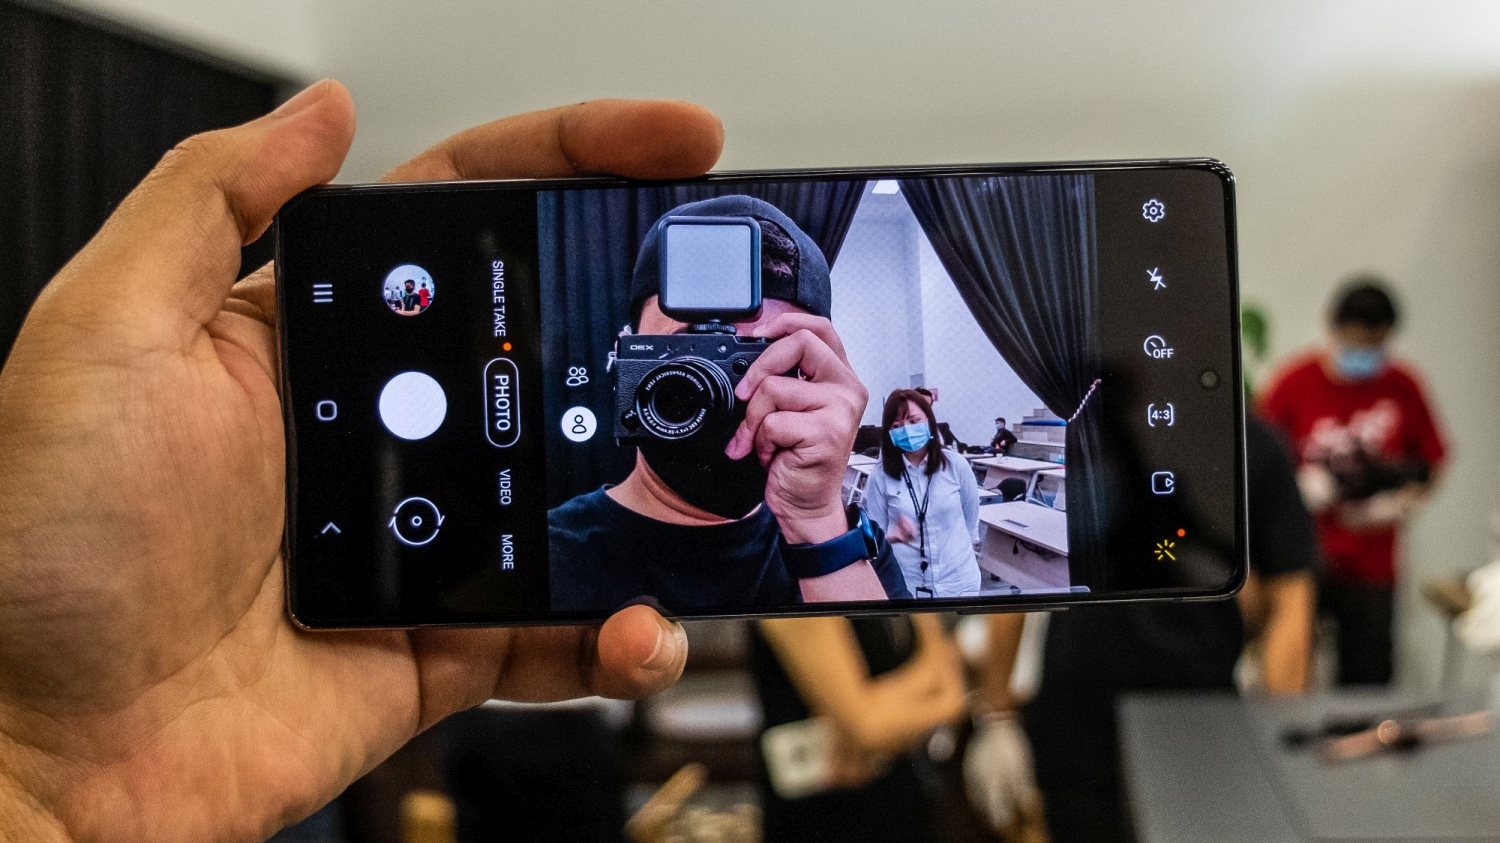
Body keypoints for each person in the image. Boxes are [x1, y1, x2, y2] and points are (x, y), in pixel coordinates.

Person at [0, 83, 734, 842]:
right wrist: (30, 755)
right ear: (621, 352)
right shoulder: (559, 527)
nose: (700, 386)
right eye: (669, 356)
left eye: (739, 363)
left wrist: (35, 775)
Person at [548, 195, 911, 613]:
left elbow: (867, 659)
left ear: (812, 377)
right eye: (691, 354)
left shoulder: (852, 551)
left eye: (761, 361)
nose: (726, 395)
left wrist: (816, 527)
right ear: (626, 355)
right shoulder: (550, 559)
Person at [971, 416, 1318, 843]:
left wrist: (1279, 736)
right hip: (1077, 711)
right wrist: (998, 716)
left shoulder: (1251, 445)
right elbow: (1017, 577)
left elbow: (1290, 600)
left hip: (1200, 714)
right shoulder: (1087, 433)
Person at [1260, 277, 1447, 685]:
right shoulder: (1294, 383)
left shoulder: (1402, 385)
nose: (1364, 354)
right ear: (1334, 325)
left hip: (1372, 566)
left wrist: (1402, 503)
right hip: (1303, 558)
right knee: (1291, 675)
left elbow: (1433, 461)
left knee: (1369, 680)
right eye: (1357, 341)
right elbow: (1258, 460)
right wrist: (1295, 489)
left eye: (1375, 344)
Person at [750, 614, 968, 843]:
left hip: (905, 800)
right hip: (825, 815)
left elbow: (949, 687)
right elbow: (867, 728)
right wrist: (930, 693)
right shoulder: (794, 597)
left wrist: (870, 709)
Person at [863, 389, 982, 598]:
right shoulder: (880, 476)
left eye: (914, 421)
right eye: (897, 426)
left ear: (929, 420)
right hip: (907, 584)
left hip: (959, 582)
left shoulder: (956, 466)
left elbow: (971, 523)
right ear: (889, 433)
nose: (907, 430)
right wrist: (893, 536)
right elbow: (875, 538)